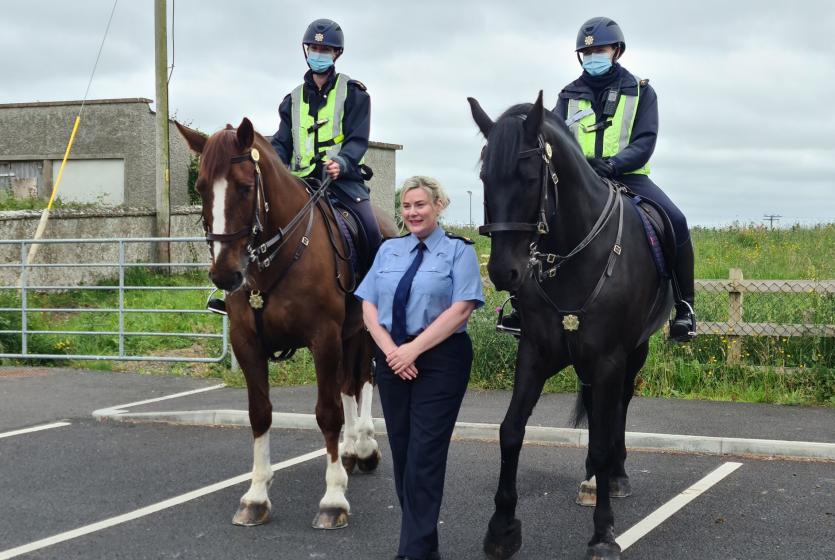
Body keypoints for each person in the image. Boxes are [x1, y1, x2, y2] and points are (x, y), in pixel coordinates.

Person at [498, 16, 696, 342]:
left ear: (616, 50)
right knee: (539, 223)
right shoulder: (568, 95)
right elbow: (555, 139)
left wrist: (614, 164)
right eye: (586, 53)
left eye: (600, 50)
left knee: (676, 219)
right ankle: (521, 306)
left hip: (630, 177)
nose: (593, 57)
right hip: (580, 182)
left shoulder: (641, 92)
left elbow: (645, 141)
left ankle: (685, 308)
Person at [207, 18, 381, 314]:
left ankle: (373, 295)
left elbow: (357, 139)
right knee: (254, 220)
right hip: (300, 182)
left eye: (325, 48)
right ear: (306, 50)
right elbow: (282, 144)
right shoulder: (292, 99)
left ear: (336, 53)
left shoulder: (354, 93)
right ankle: (233, 292)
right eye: (313, 47)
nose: (318, 52)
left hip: (342, 182)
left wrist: (342, 162)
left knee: (372, 230)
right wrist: (273, 163)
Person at [354, 176, 484, 560]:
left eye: (420, 205)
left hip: (441, 359)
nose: (412, 212)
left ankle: (409, 552)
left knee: (425, 456)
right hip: (392, 356)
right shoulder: (389, 251)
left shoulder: (459, 252)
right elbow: (368, 306)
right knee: (404, 453)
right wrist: (393, 351)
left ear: (438, 205)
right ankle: (423, 548)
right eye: (407, 206)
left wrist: (413, 350)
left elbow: (461, 309)